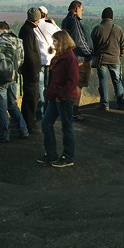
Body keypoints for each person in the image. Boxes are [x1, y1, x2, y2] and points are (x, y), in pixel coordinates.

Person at [37, 31, 79, 168]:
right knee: (46, 123)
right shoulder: (59, 56)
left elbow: (72, 80)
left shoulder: (69, 58)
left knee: (67, 127)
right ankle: (51, 154)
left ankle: (68, 156)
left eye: (55, 41)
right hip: (56, 96)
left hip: (64, 97)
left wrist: (61, 95)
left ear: (62, 42)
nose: (53, 43)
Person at [0, 21, 28, 143]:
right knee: (12, 104)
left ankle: (5, 135)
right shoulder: (19, 41)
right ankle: (23, 129)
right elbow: (21, 60)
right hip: (13, 77)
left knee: (2, 107)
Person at [90, 7, 124, 111]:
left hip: (101, 60)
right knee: (117, 81)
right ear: (112, 17)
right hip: (115, 60)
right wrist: (119, 55)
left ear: (102, 16)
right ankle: (121, 103)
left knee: (103, 81)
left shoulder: (97, 29)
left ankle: (104, 104)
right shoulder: (118, 29)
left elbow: (92, 46)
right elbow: (123, 45)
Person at [61, 0, 93, 121]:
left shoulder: (65, 21)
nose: (82, 12)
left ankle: (69, 110)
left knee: (71, 85)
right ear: (76, 9)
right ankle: (74, 111)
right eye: (81, 9)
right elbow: (80, 40)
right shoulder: (74, 21)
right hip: (80, 58)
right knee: (78, 85)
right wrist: (90, 53)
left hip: (69, 57)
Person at [19, 7, 44, 135]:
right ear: (36, 19)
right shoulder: (28, 31)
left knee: (31, 97)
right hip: (31, 70)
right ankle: (30, 124)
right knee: (31, 98)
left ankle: (27, 123)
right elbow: (29, 53)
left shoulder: (27, 29)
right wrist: (35, 70)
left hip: (30, 70)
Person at [35, 7, 63, 120]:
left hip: (39, 61)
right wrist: (55, 24)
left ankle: (39, 113)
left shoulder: (34, 27)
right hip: (51, 60)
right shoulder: (50, 26)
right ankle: (48, 111)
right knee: (49, 87)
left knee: (40, 88)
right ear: (46, 15)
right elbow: (62, 35)